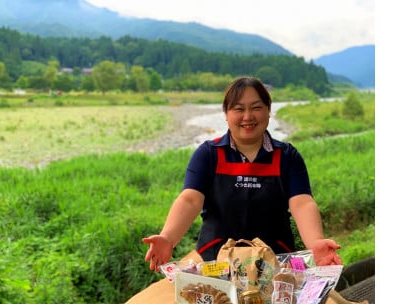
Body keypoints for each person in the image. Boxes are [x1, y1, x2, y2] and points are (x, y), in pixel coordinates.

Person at [142, 76, 342, 272]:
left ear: (268, 111)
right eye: (239, 109)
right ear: (226, 114)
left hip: (275, 263)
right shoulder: (208, 154)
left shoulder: (287, 156)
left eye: (256, 108)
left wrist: (315, 241)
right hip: (215, 262)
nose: (248, 117)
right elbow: (190, 200)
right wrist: (168, 237)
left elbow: (302, 202)